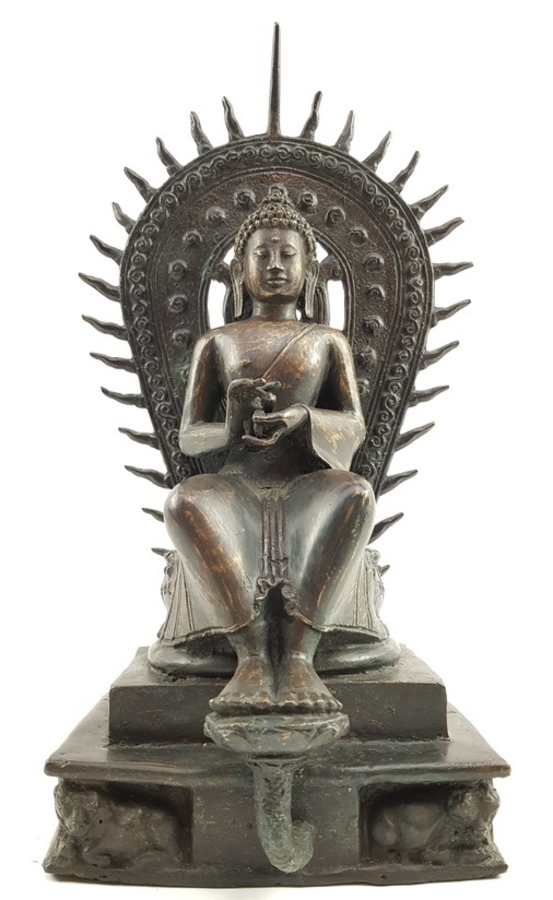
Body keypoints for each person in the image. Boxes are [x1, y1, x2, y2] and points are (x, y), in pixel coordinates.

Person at [163, 185, 375, 714]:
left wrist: (302, 419)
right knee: (185, 499)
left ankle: (300, 655)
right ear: (240, 270)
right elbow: (190, 436)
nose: (275, 265)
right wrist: (232, 422)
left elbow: (353, 425)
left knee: (355, 492)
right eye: (263, 254)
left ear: (309, 270)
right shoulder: (218, 343)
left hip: (308, 481)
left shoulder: (327, 341)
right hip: (237, 483)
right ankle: (251, 656)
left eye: (287, 255)